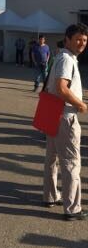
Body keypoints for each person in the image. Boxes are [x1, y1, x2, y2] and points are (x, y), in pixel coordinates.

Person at [42, 24, 88, 221]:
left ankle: (51, 196)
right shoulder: (67, 59)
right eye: (78, 39)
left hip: (53, 113)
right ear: (67, 39)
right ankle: (72, 207)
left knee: (52, 158)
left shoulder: (61, 56)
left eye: (85, 40)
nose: (82, 43)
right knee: (71, 162)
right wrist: (80, 104)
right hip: (65, 116)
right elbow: (62, 88)